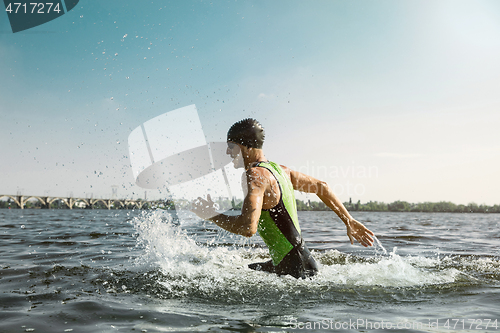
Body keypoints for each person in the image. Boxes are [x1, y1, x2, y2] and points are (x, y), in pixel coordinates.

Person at [191, 118, 374, 279]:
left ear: (245, 146)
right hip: (302, 261)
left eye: (231, 147)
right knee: (247, 269)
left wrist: (211, 215)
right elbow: (322, 187)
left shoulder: (255, 176)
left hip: (295, 271)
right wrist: (348, 220)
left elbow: (248, 227)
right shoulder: (282, 171)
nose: (227, 153)